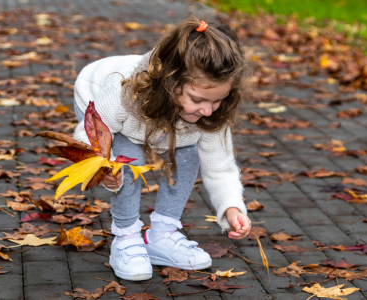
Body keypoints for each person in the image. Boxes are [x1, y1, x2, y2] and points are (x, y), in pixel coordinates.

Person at [71, 15, 251, 281]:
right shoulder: (122, 92)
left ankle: (162, 236)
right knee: (125, 155)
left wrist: (232, 208)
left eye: (218, 100)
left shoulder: (209, 113)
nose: (208, 110)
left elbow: (220, 167)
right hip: (94, 98)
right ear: (171, 82)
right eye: (198, 99)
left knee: (188, 152)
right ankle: (127, 237)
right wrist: (102, 168)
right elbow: (86, 138)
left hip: (164, 118)